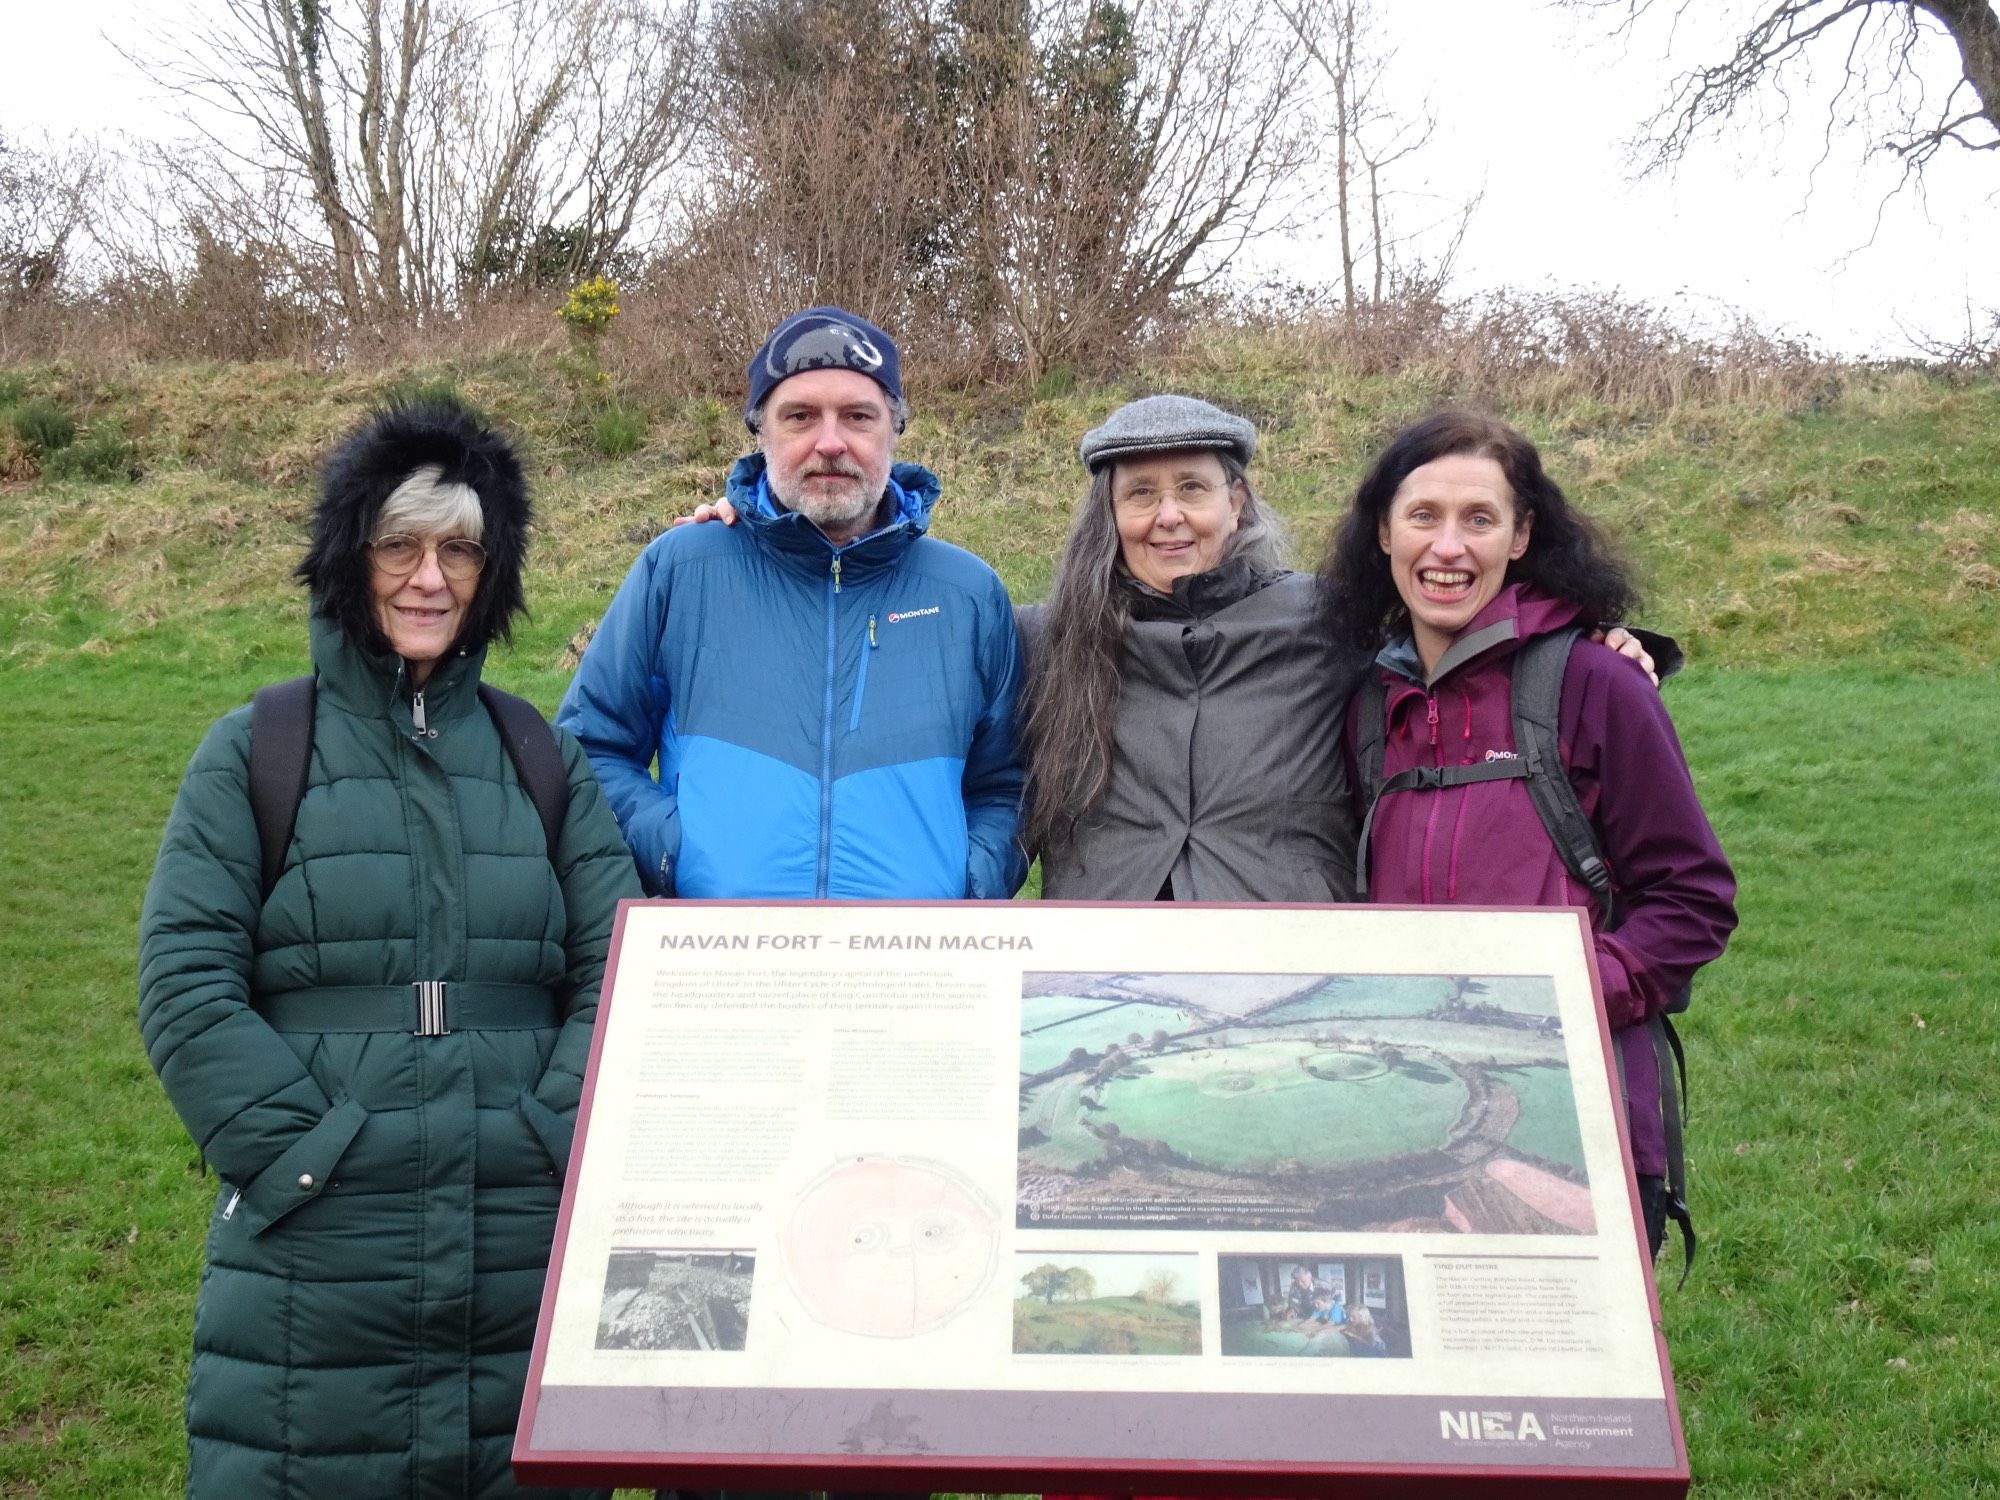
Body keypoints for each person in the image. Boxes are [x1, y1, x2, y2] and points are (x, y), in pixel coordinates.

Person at [138, 403, 639, 1499]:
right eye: (399, 545)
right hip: (317, 1246)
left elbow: (618, 972)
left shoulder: (540, 756)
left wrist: (548, 1131)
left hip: (521, 1237)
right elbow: (184, 981)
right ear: (348, 558)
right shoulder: (255, 749)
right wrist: (304, 1156)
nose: (429, 577)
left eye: (459, 547)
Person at [1318, 408, 1737, 1257]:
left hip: (1578, 1117)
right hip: (1409, 1119)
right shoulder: (1367, 704)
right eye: (1424, 516)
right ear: (1383, 534)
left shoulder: (1598, 683)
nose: (1449, 548)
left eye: (1480, 519)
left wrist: (1563, 995)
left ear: (1521, 537)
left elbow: (1693, 901)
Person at [1019, 394, 1655, 902]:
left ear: (1235, 502)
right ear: (1108, 512)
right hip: (1103, 964)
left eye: (1192, 488)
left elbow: (1458, 635)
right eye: (1141, 493)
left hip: (1288, 965)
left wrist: (1590, 645)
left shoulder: (1329, 620)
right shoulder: (1044, 639)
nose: (1168, 515)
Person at [557, 306, 1026, 901]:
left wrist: (967, 880)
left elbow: (1008, 785)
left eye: (858, 416)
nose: (829, 443)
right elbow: (589, 748)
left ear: (895, 429)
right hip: (725, 968)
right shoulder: (681, 569)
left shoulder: (968, 594)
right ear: (762, 431)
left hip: (914, 978)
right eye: (800, 416)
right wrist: (676, 853)